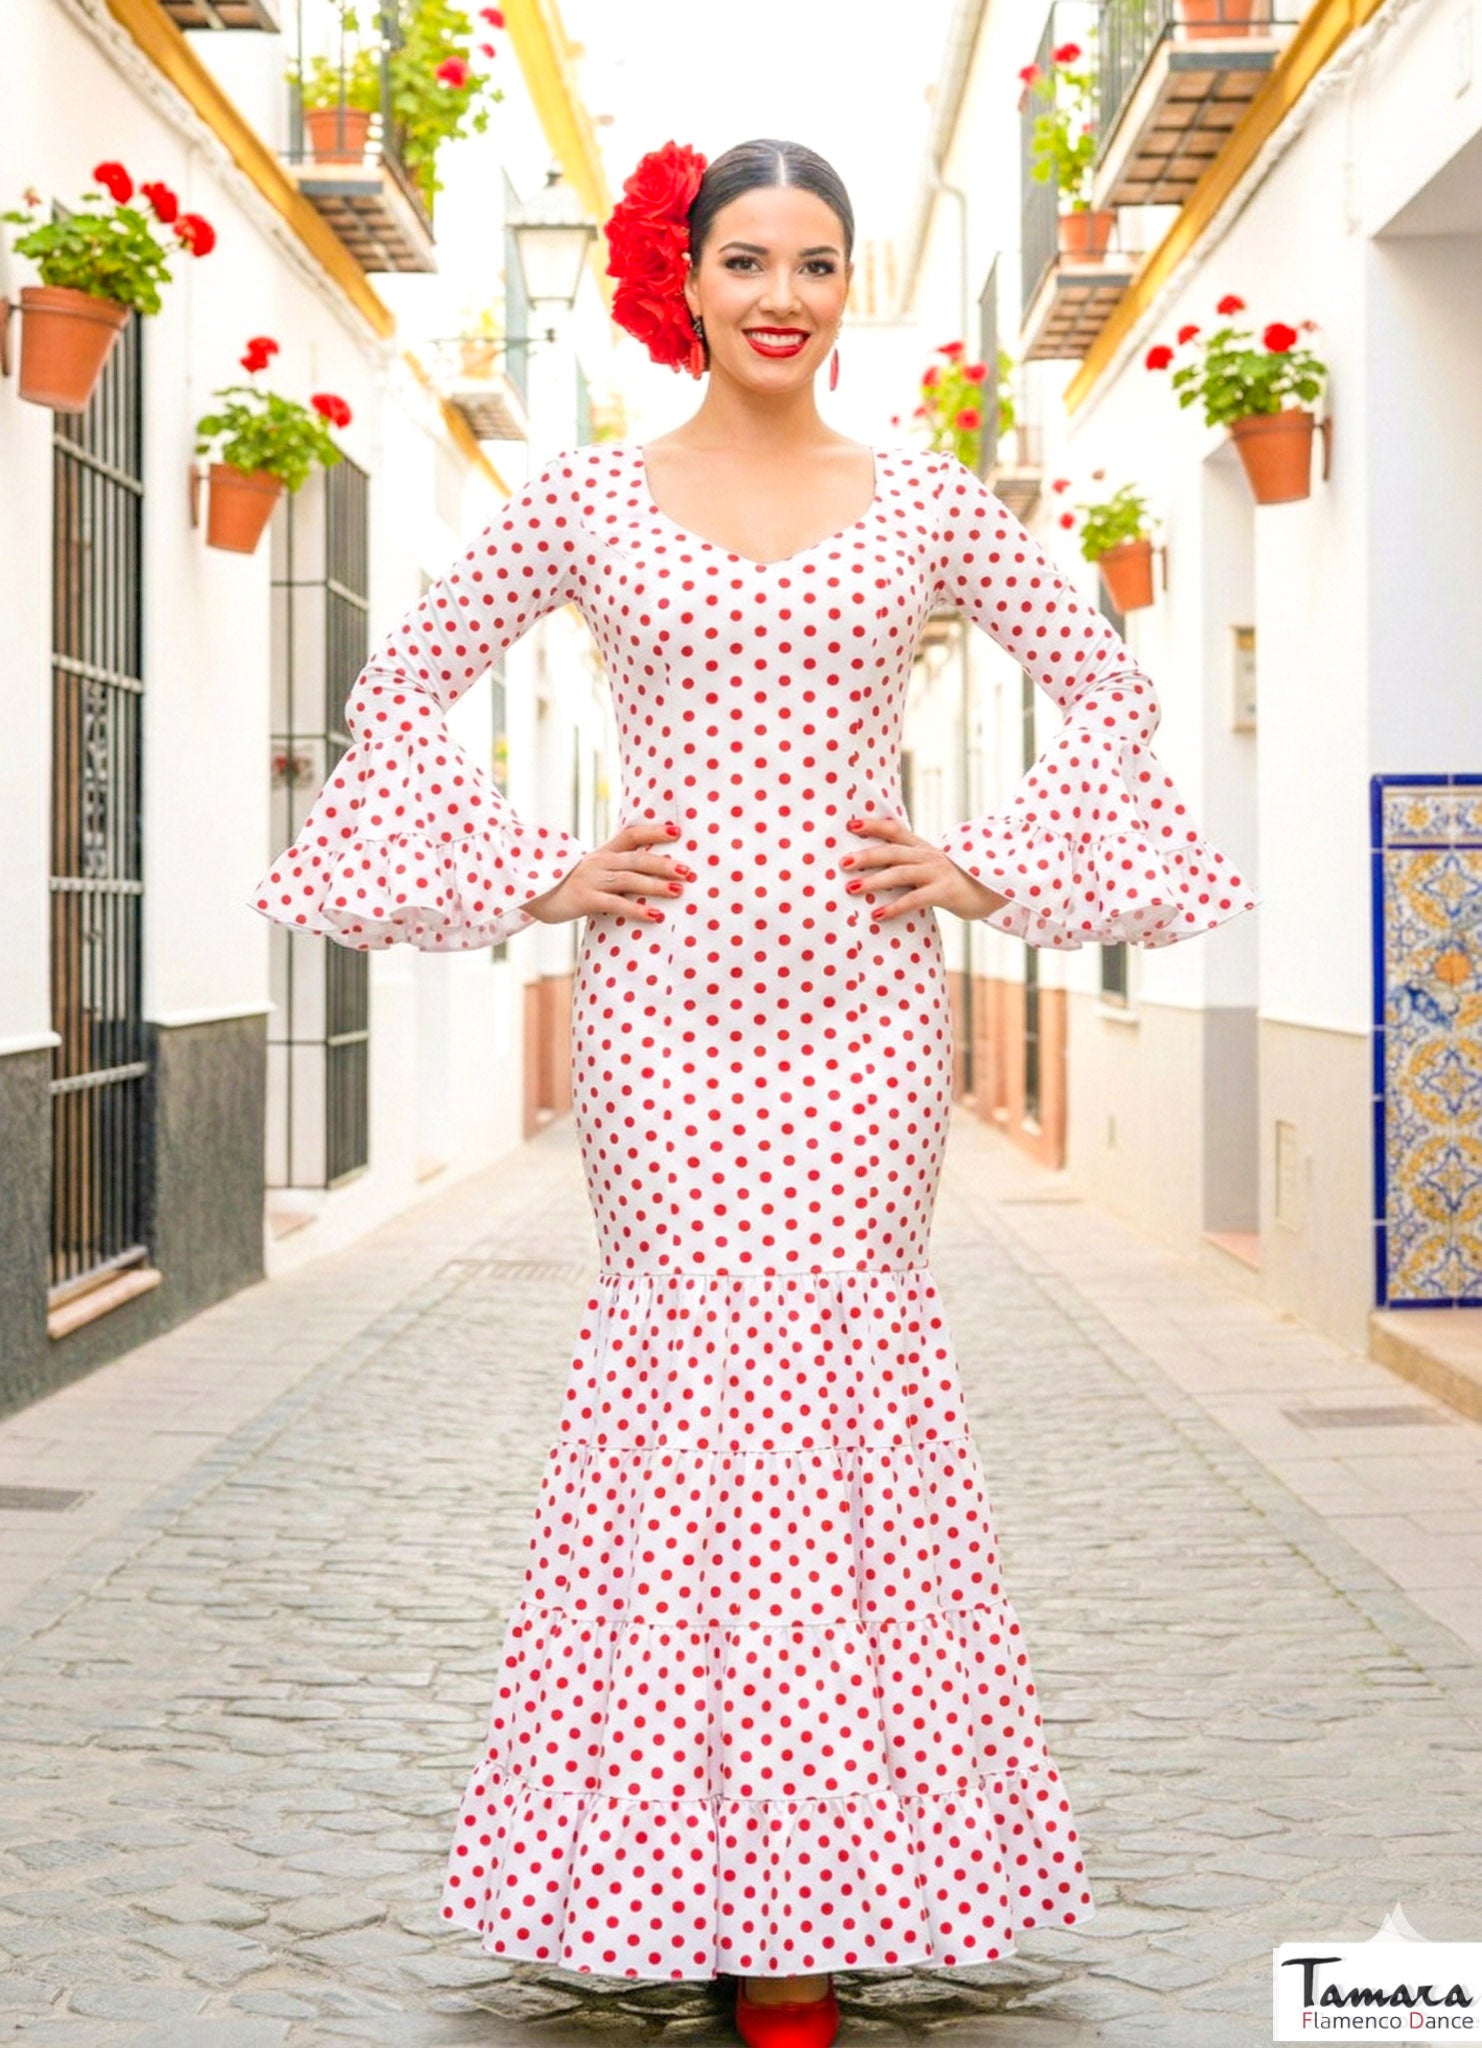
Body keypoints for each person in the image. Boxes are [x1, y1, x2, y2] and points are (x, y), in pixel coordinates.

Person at [249, 136, 1257, 2048]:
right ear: (685, 280)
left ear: (846, 285)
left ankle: (824, 1894)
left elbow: (1106, 686)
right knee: (692, 1395)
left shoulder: (929, 501)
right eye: (745, 261)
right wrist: (534, 872)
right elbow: (398, 686)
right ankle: (681, 1869)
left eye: (814, 261)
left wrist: (980, 866)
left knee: (841, 1397)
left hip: (866, 1018)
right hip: (664, 1014)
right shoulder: (584, 498)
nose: (780, 294)